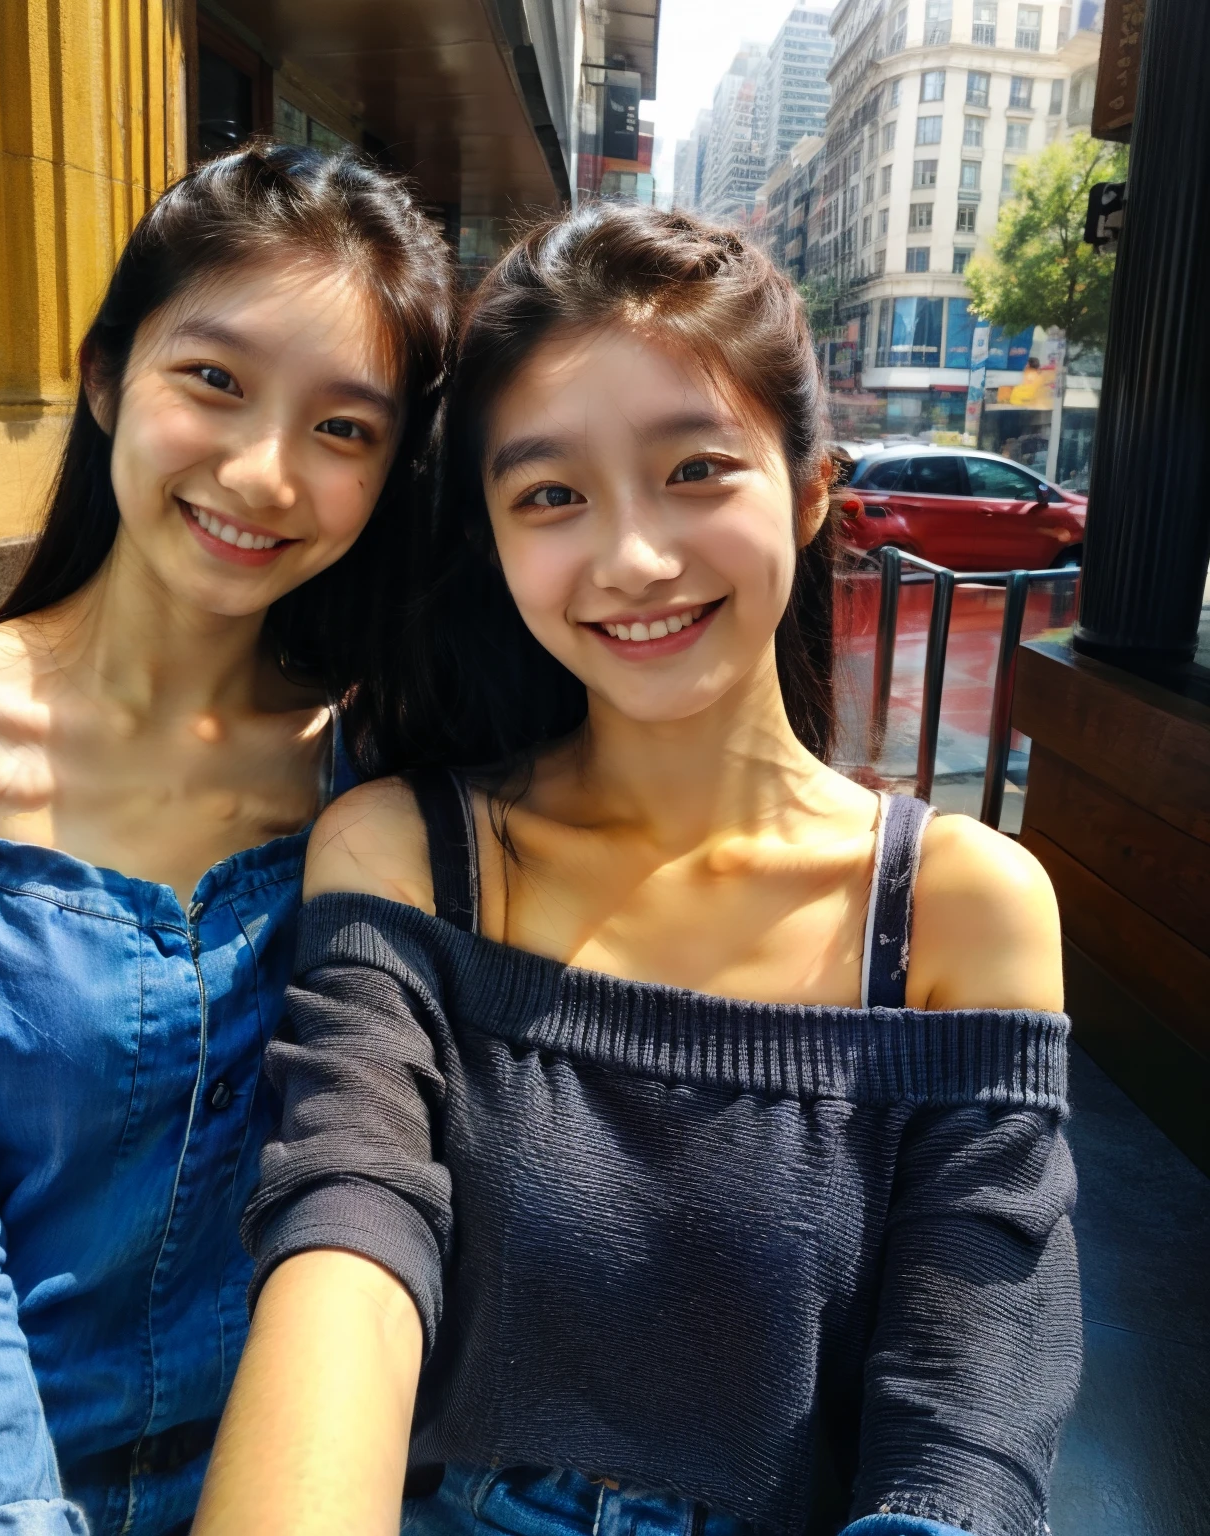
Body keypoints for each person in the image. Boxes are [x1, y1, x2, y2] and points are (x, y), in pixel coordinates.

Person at [194, 204, 1081, 1536]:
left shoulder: (957, 909)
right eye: (551, 494)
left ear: (814, 488)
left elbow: (967, 1420)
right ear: (493, 538)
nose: (633, 560)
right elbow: (347, 1230)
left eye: (695, 470)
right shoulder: (411, 854)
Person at [0, 144, 450, 1536]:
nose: (264, 472)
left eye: (344, 428)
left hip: (269, 1480)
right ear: (104, 374)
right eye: (215, 381)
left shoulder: (376, 776)